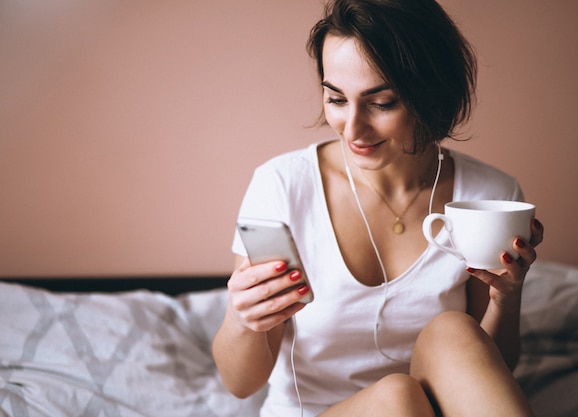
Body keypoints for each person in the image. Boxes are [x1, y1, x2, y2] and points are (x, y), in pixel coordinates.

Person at [213, 0, 544, 416]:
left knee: (453, 332)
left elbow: (490, 373)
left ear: (431, 95)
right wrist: (242, 319)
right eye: (335, 99)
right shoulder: (282, 187)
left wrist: (505, 299)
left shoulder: (487, 196)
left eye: (382, 103)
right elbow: (240, 384)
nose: (352, 129)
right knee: (397, 398)